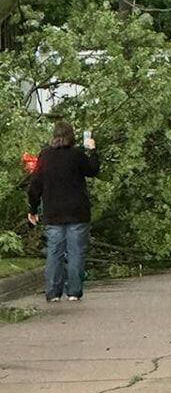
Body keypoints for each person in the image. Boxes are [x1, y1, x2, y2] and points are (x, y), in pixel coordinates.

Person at [27, 120, 100, 302]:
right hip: (77, 211)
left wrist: (33, 208)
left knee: (54, 253)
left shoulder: (45, 156)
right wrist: (92, 151)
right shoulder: (77, 155)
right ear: (72, 136)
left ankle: (53, 292)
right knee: (76, 253)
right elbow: (93, 170)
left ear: (54, 136)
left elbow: (35, 185)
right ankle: (74, 292)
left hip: (54, 212)